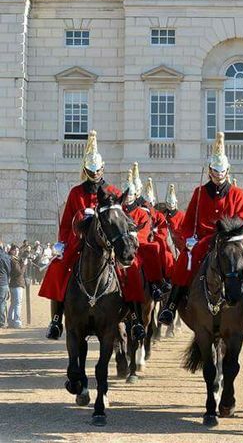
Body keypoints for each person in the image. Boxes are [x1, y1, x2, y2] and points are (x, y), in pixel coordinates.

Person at [158, 132, 243, 332]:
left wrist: (235, 234)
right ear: (210, 171)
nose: (219, 175)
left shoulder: (237, 193)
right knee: (185, 259)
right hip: (205, 240)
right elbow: (188, 223)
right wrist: (189, 240)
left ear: (227, 171)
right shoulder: (200, 192)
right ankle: (171, 306)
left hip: (231, 240)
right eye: (215, 171)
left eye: (222, 172)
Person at [39, 130, 145, 340]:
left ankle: (134, 318)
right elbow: (66, 222)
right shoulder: (76, 193)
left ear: (103, 168)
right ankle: (57, 319)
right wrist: (62, 242)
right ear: (85, 170)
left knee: (130, 272)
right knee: (58, 268)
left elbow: (122, 220)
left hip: (109, 245)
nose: (95, 174)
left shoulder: (113, 192)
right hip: (80, 243)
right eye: (91, 171)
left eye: (98, 170)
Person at [122, 165, 171, 301]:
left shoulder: (144, 210)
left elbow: (154, 223)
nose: (129, 198)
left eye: (133, 193)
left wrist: (154, 232)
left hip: (141, 240)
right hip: (121, 243)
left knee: (154, 249)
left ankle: (156, 283)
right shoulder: (119, 210)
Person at [8, 244, 26, 328]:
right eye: (15, 250)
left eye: (18, 250)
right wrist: (24, 265)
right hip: (17, 284)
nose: (17, 251)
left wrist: (22, 262)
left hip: (14, 284)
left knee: (13, 303)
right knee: (17, 303)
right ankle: (17, 322)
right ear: (11, 250)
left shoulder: (14, 259)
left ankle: (10, 321)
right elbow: (19, 272)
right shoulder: (13, 259)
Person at [163, 183, 185, 252]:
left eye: (172, 204)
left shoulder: (182, 215)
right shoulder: (164, 215)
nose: (171, 206)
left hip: (179, 244)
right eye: (169, 204)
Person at [0, 240, 11, 328]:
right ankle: (1, 322)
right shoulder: (4, 256)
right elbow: (8, 269)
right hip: (2, 281)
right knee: (2, 302)